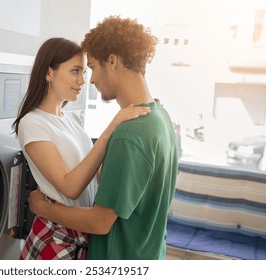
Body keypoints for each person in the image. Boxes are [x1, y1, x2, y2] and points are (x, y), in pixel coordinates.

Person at [28, 16, 179, 260]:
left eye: (94, 67)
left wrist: (43, 208)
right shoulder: (161, 117)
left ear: (113, 61)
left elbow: (99, 222)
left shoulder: (129, 134)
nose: (92, 80)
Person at [12, 37, 150, 260]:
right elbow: (70, 187)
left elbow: (95, 175)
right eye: (75, 71)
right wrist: (110, 129)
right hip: (55, 237)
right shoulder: (32, 123)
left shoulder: (72, 119)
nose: (83, 80)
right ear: (49, 73)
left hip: (80, 234)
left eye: (84, 72)